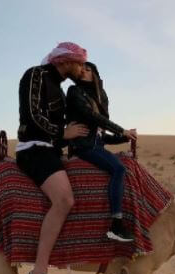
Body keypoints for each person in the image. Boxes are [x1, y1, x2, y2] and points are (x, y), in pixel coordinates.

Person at [16, 42, 89, 274]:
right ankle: (38, 273)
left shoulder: (59, 89)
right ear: (64, 61)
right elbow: (33, 114)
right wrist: (62, 133)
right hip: (33, 149)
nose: (81, 68)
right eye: (79, 63)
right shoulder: (35, 74)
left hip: (51, 150)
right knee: (64, 200)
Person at [66, 62, 137, 242]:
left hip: (95, 145)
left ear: (95, 75)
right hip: (82, 147)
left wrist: (124, 138)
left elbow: (100, 135)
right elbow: (92, 117)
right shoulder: (74, 92)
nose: (82, 70)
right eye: (81, 68)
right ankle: (116, 225)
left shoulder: (100, 97)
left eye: (87, 69)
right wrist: (121, 130)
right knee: (118, 169)